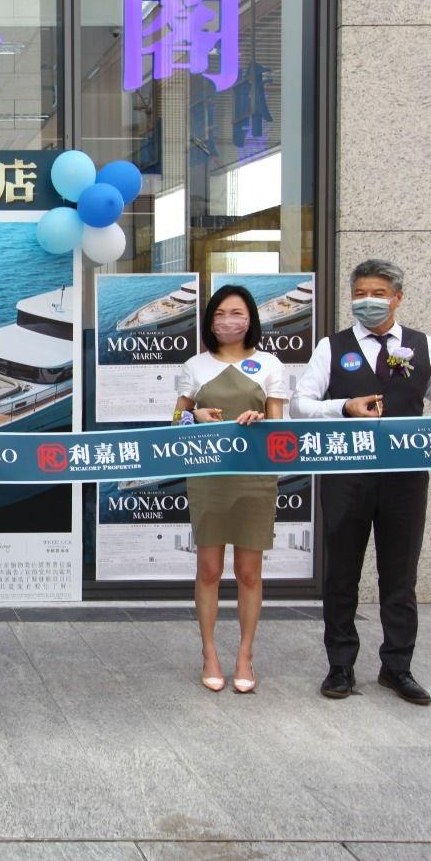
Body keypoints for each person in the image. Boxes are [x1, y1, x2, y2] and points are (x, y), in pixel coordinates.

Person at [293, 259, 431, 705]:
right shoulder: (332, 347)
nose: (367, 301)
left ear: (397, 298)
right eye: (359, 294)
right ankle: (340, 666)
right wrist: (343, 407)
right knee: (341, 575)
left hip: (404, 479)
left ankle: (397, 667)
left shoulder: (421, 345)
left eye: (377, 293)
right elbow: (300, 404)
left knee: (400, 576)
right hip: (346, 476)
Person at [172, 285, 289, 695]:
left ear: (250, 318)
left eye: (236, 313)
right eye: (220, 314)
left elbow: (280, 428)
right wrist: (196, 416)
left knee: (248, 573)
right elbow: (175, 422)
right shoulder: (194, 366)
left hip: (254, 478)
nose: (228, 321)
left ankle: (244, 654)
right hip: (208, 478)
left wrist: (262, 421)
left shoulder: (270, 365)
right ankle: (209, 653)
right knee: (208, 570)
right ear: (210, 321)